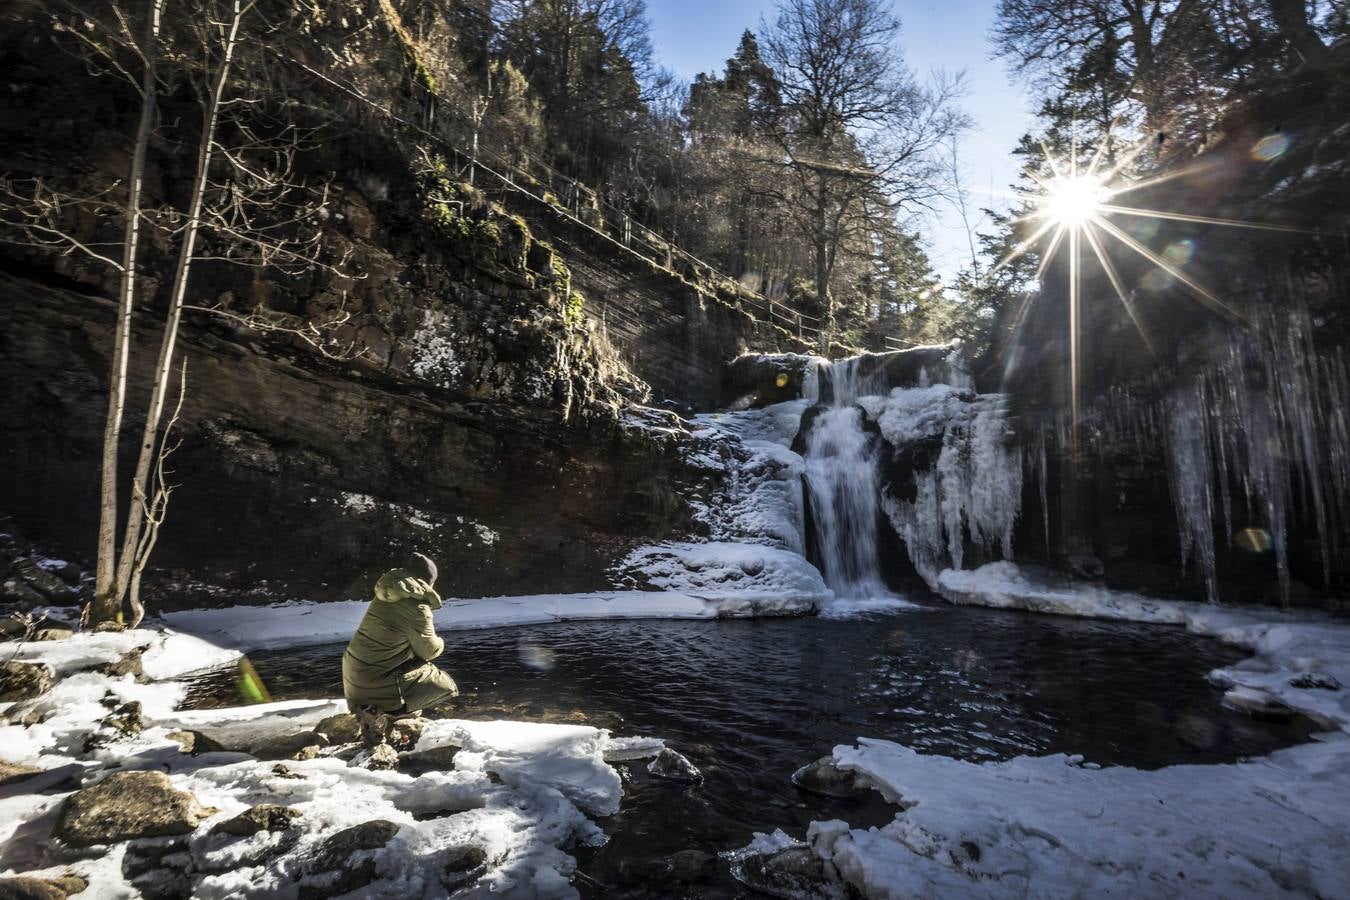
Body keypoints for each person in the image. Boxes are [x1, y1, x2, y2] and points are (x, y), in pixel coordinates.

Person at [342, 552, 459, 746]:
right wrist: (441, 642)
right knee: (442, 682)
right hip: (376, 680)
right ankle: (389, 714)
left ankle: (380, 711)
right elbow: (429, 651)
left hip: (354, 676)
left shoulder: (384, 595)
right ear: (427, 581)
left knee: (408, 665)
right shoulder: (417, 608)